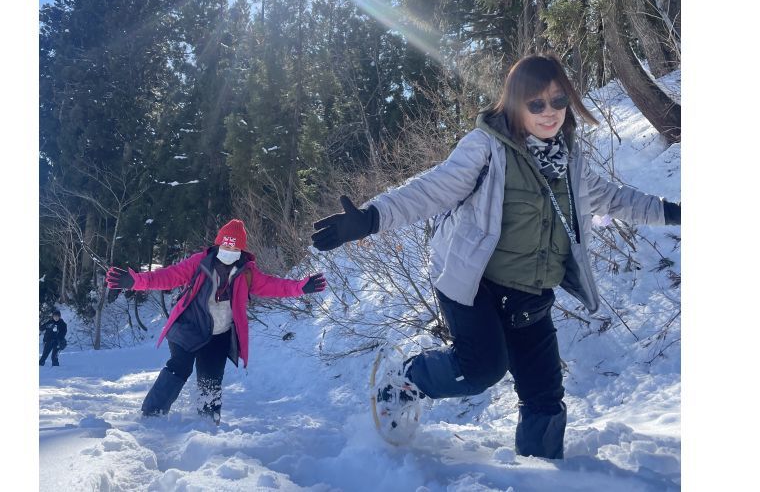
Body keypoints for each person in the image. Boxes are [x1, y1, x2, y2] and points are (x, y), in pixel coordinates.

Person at [311, 54, 681, 458]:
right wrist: (371, 218)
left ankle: (543, 478)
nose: (550, 113)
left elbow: (614, 199)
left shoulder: (570, 160)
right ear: (514, 104)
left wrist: (674, 211)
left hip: (530, 296)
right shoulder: (486, 148)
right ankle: (407, 377)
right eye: (536, 104)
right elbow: (432, 189)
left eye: (558, 101)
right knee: (481, 368)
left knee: (546, 402)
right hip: (473, 286)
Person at [107, 219, 327, 424]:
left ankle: (208, 421)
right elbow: (167, 276)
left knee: (211, 379)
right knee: (178, 367)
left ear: (241, 250)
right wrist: (136, 281)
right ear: (218, 244)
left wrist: (300, 287)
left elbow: (274, 286)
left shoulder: (246, 272)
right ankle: (152, 414)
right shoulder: (199, 263)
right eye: (225, 246)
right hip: (189, 327)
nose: (228, 252)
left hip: (220, 334)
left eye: (233, 248)